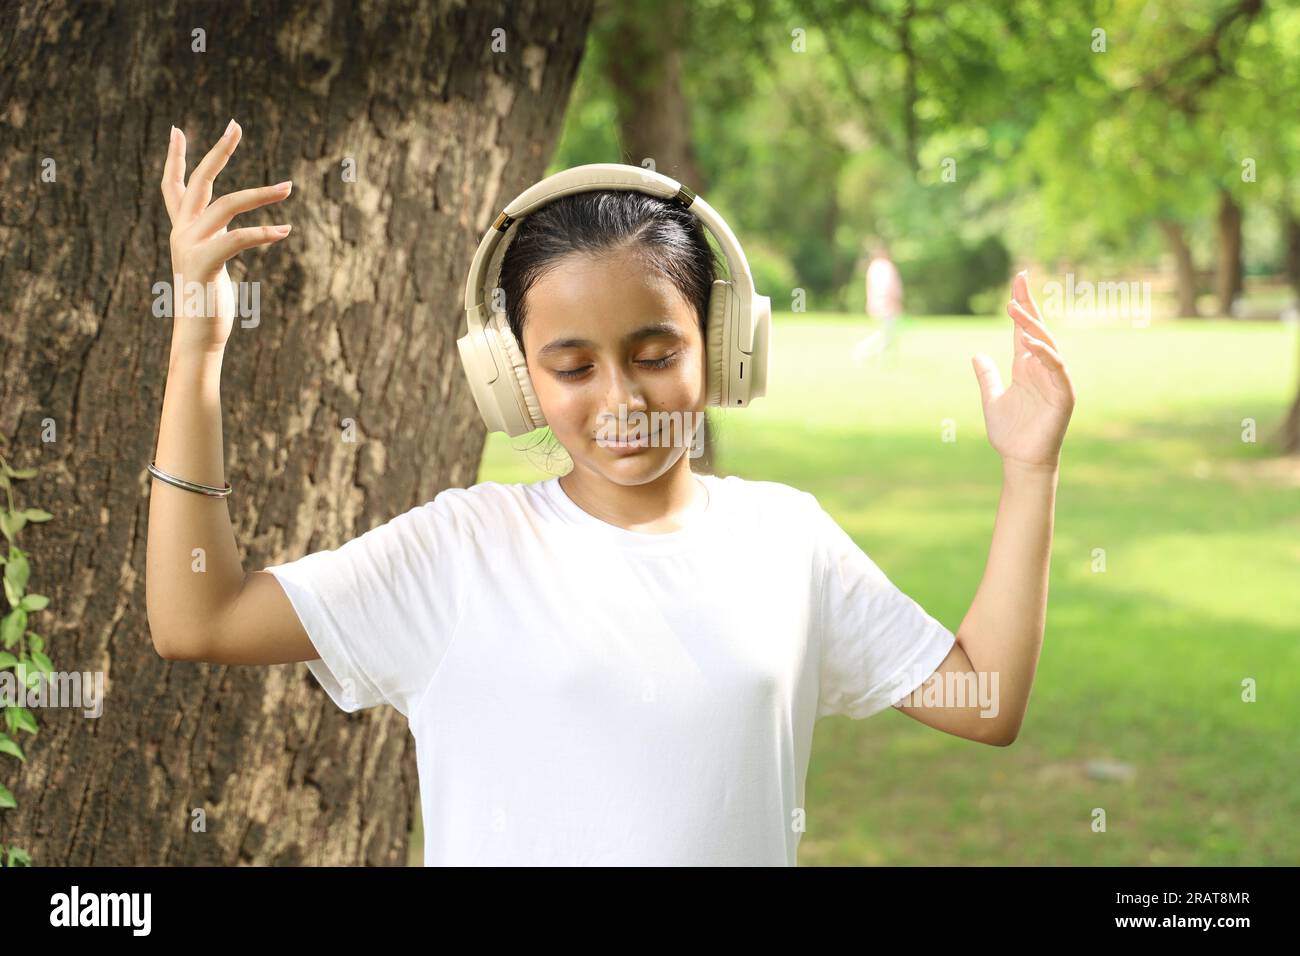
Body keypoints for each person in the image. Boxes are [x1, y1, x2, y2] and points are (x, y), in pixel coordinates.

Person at [147, 120, 1077, 866]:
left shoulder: (787, 539)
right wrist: (199, 347)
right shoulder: (460, 550)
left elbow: (983, 704)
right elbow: (200, 620)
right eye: (572, 365)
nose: (622, 399)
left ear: (723, 345)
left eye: (655, 354)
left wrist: (1029, 473)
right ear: (515, 382)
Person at [853, 239, 904, 367]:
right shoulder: (884, 266)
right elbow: (888, 287)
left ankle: (873, 356)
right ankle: (863, 352)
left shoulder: (875, 266)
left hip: (878, 304)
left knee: (886, 334)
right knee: (886, 334)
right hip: (886, 304)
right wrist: (894, 300)